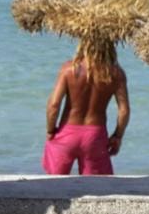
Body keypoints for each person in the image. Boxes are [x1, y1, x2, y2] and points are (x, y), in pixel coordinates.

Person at [42, 40, 129, 175]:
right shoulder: (116, 74)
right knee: (96, 188)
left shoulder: (68, 69)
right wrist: (118, 136)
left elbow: (53, 105)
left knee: (54, 184)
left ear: (83, 46)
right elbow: (124, 111)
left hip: (67, 133)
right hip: (95, 136)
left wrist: (50, 130)